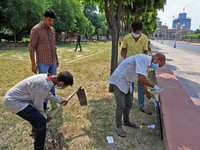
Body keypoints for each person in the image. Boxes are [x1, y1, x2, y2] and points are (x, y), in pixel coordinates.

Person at [3, 71, 73, 150]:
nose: (63, 88)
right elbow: (37, 106)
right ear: (61, 83)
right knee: (41, 122)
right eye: (65, 86)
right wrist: (45, 117)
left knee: (41, 109)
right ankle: (39, 148)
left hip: (19, 98)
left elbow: (46, 94)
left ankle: (34, 131)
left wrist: (59, 100)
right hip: (13, 102)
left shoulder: (48, 78)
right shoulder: (43, 85)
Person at [108, 53, 166, 137]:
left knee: (128, 103)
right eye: (158, 65)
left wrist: (152, 100)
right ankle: (118, 126)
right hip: (119, 79)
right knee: (121, 105)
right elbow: (141, 78)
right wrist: (155, 86)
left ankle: (126, 121)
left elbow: (143, 85)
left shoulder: (146, 67)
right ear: (157, 59)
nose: (156, 67)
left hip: (127, 81)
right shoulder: (144, 59)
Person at [29, 9, 58, 110]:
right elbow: (31, 47)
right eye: (49, 20)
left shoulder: (52, 30)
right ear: (44, 18)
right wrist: (33, 63)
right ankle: (44, 101)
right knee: (43, 83)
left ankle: (53, 97)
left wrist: (57, 60)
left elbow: (53, 46)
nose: (51, 23)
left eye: (53, 21)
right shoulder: (36, 29)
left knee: (54, 81)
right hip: (43, 62)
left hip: (52, 61)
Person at [120, 22, 151, 115]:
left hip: (140, 65)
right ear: (132, 30)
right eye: (135, 32)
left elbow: (145, 51)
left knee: (142, 85)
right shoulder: (126, 38)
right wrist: (122, 58)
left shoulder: (144, 38)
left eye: (138, 32)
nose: (137, 34)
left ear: (141, 31)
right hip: (130, 64)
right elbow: (123, 49)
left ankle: (142, 105)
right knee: (130, 85)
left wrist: (145, 64)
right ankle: (130, 103)